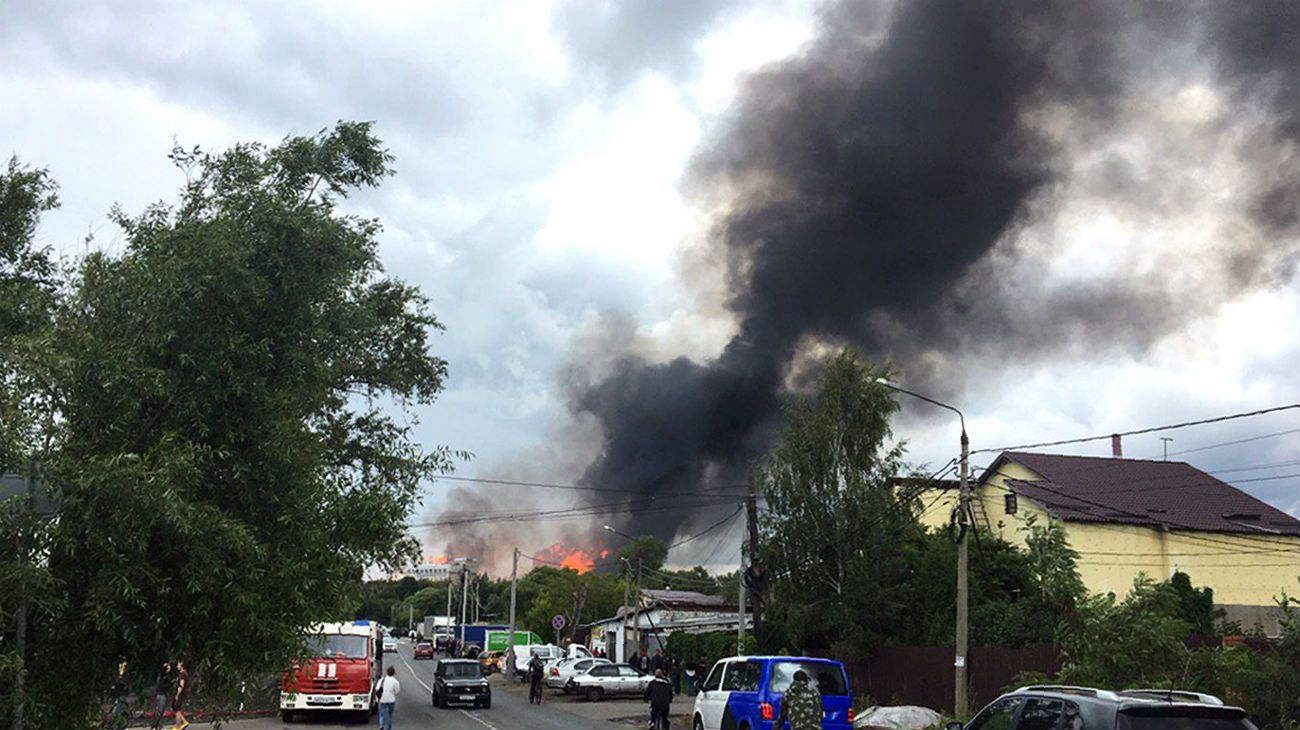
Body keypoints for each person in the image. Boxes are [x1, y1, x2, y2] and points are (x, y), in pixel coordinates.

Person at [375, 665, 400, 730]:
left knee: (382, 714)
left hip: (383, 699)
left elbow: (377, 688)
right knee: (390, 715)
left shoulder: (382, 680)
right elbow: (397, 690)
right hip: (391, 700)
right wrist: (392, 693)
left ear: (387, 672)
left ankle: (381, 726)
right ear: (394, 673)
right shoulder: (395, 681)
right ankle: (389, 728)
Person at [151, 662, 173, 730]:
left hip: (161, 694)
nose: (169, 668)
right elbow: (163, 685)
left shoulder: (164, 675)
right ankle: (155, 725)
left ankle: (157, 725)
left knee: (159, 711)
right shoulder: (163, 676)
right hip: (162, 694)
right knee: (160, 711)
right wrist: (171, 683)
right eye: (168, 667)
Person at [171, 660, 190, 730]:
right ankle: (183, 723)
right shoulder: (184, 674)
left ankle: (178, 725)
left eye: (178, 665)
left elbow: (181, 685)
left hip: (180, 694)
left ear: (182, 665)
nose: (177, 666)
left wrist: (177, 694)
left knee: (176, 709)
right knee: (176, 709)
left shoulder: (182, 675)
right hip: (181, 693)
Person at [111, 661, 129, 729]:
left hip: (121, 695)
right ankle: (118, 726)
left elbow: (124, 684)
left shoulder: (124, 676)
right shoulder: (118, 675)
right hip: (117, 695)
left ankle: (119, 726)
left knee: (118, 711)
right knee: (116, 711)